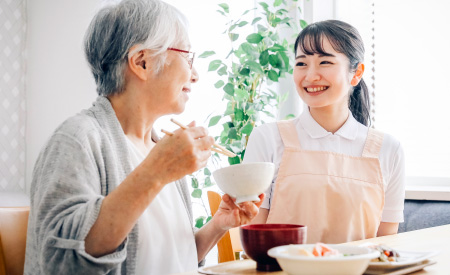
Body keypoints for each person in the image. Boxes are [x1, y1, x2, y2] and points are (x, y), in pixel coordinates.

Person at [24, 0, 264, 274]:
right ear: (142, 62)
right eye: (188, 57)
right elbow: (63, 264)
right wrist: (157, 171)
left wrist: (218, 225)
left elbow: (170, 259)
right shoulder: (78, 139)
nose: (195, 75)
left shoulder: (160, 148)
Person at [243, 20, 405, 244]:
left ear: (356, 73)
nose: (310, 76)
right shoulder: (268, 139)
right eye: (301, 64)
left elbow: (386, 243)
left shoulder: (388, 149)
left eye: (325, 62)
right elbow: (255, 237)